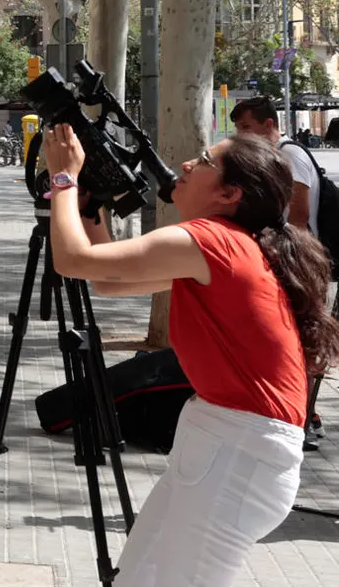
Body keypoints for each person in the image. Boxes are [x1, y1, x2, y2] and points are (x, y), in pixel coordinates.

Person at [41, 126, 339, 586]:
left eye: (203, 161)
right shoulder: (231, 243)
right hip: (224, 445)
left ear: (229, 193)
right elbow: (107, 280)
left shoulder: (213, 241)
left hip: (238, 455)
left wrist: (63, 179)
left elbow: (72, 261)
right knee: (139, 576)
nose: (186, 163)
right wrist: (86, 204)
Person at [232, 95, 327, 448]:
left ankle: (303, 419)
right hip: (287, 262)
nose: (243, 135)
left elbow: (298, 218)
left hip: (298, 265)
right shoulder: (273, 158)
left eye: (247, 128)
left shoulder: (290, 156)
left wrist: (285, 267)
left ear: (269, 125)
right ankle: (297, 417)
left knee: (297, 344)